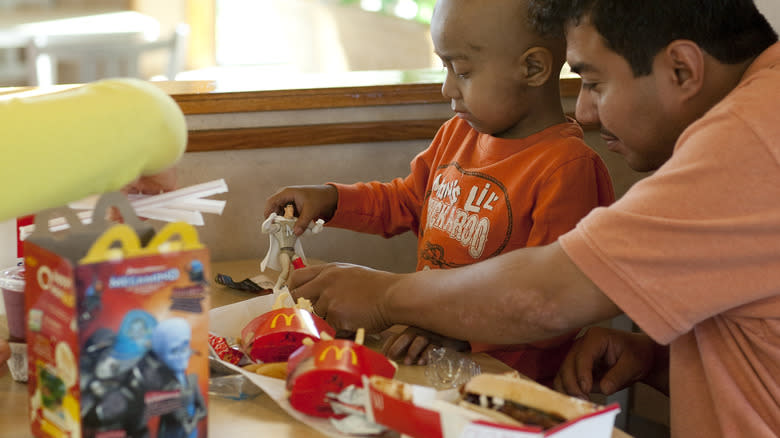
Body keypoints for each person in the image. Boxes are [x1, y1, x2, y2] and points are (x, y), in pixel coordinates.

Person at [286, 1, 780, 437]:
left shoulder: (750, 139)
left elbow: (548, 297)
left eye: (593, 83)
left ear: (681, 69)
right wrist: (655, 360)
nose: (583, 111)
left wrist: (384, 296)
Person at [264, 0, 614, 383]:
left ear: (532, 68)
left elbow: (556, 308)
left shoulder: (567, 168)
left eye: (462, 71)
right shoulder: (457, 134)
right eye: (444, 67)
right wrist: (331, 200)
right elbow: (405, 201)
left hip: (506, 384)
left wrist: (458, 330)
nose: (447, 87)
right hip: (432, 363)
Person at [261, 202, 324, 290]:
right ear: (285, 209)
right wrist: (270, 218)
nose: (292, 210)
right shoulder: (279, 224)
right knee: (286, 270)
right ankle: (277, 287)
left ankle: (299, 285)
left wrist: (318, 226)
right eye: (290, 207)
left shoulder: (296, 224)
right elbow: (265, 229)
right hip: (284, 252)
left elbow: (311, 232)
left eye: (293, 208)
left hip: (292, 252)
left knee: (302, 267)